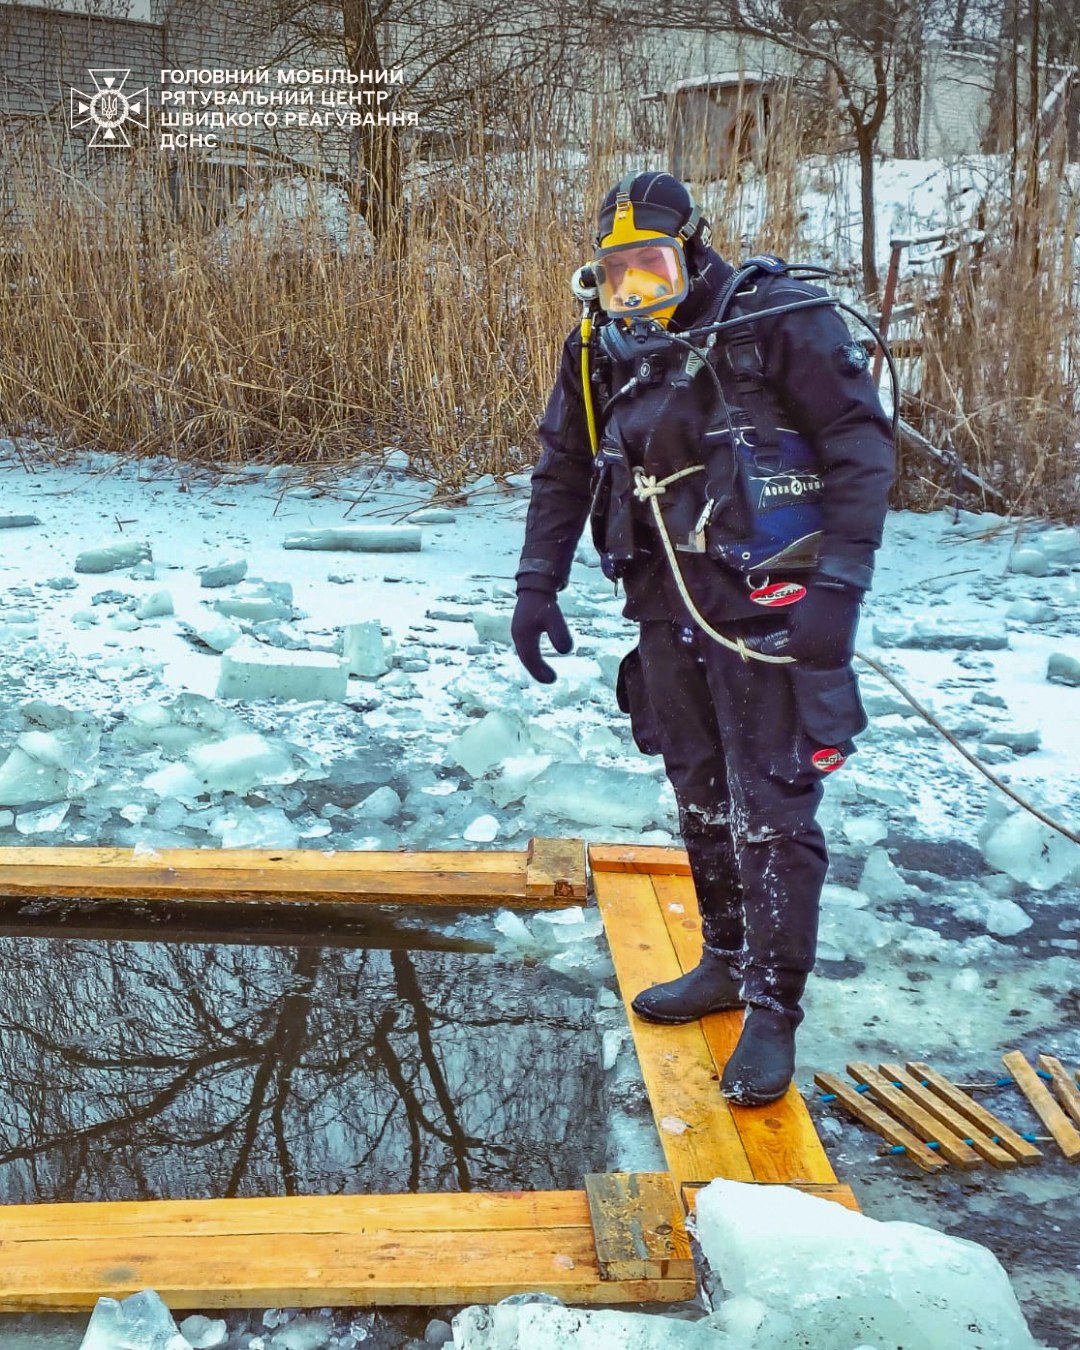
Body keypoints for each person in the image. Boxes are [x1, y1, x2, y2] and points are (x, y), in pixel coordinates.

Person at [510, 170, 895, 1106]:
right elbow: (565, 466)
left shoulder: (774, 320)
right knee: (699, 789)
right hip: (662, 596)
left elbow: (860, 446)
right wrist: (537, 583)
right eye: (615, 274)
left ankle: (774, 1008)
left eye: (652, 267)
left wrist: (837, 591)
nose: (635, 291)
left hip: (766, 603)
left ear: (694, 250)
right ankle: (724, 955)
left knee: (773, 804)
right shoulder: (603, 345)